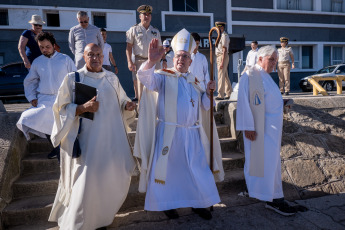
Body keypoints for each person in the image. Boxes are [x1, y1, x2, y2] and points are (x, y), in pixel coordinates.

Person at [134, 29, 224, 221]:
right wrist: (151, 61)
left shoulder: (195, 81)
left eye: (184, 56)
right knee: (170, 174)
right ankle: (167, 204)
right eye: (178, 56)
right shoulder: (163, 76)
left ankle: (199, 203)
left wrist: (209, 92)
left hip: (192, 134)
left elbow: (206, 106)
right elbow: (144, 78)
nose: (180, 59)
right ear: (173, 58)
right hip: (169, 134)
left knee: (195, 171)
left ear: (191, 61)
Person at [48, 43, 137, 229]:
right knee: (87, 182)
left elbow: (122, 99)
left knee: (112, 176)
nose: (95, 58)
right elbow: (60, 109)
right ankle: (82, 223)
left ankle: (103, 218)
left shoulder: (111, 78)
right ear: (84, 56)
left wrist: (127, 105)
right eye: (91, 54)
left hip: (112, 139)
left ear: (103, 57)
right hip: (88, 141)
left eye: (99, 54)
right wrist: (82, 108)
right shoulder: (73, 79)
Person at [236, 45, 297, 216]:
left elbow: (267, 100)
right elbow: (243, 102)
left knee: (272, 165)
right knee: (263, 164)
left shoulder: (267, 77)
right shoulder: (249, 76)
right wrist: (247, 126)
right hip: (258, 131)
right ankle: (272, 198)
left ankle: (275, 197)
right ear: (260, 59)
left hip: (271, 131)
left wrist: (282, 103)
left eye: (276, 61)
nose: (274, 64)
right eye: (271, 60)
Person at [16, 32, 76, 159]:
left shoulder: (65, 59)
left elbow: (75, 79)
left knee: (61, 123)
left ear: (53, 45)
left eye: (47, 46)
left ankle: (61, 151)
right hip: (44, 99)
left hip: (63, 98)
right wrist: (32, 97)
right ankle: (56, 148)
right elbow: (30, 81)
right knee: (27, 117)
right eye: (41, 47)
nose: (44, 49)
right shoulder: (37, 62)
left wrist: (75, 97)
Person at [126, 5, 165, 102]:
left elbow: (160, 48)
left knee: (157, 86)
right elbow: (128, 47)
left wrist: (164, 60)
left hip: (155, 62)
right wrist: (129, 61)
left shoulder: (155, 31)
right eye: (144, 14)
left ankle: (156, 109)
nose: (147, 17)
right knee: (141, 87)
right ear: (140, 16)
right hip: (139, 61)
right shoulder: (133, 30)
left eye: (149, 15)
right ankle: (141, 110)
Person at [215, 21, 232, 100]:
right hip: (220, 56)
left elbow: (224, 50)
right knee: (224, 76)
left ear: (222, 27)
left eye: (218, 28)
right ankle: (229, 93)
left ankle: (220, 95)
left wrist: (222, 61)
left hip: (223, 56)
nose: (217, 29)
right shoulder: (220, 36)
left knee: (220, 75)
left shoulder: (224, 36)